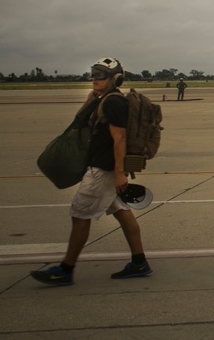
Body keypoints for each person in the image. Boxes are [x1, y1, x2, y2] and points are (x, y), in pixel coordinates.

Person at [31, 58, 152, 286]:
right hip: (103, 168)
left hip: (103, 170)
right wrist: (89, 101)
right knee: (122, 211)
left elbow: (120, 139)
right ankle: (139, 262)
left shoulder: (113, 103)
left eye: (101, 75)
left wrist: (119, 173)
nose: (95, 79)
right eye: (94, 74)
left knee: (80, 215)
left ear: (115, 79)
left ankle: (66, 269)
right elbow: (79, 123)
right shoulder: (102, 100)